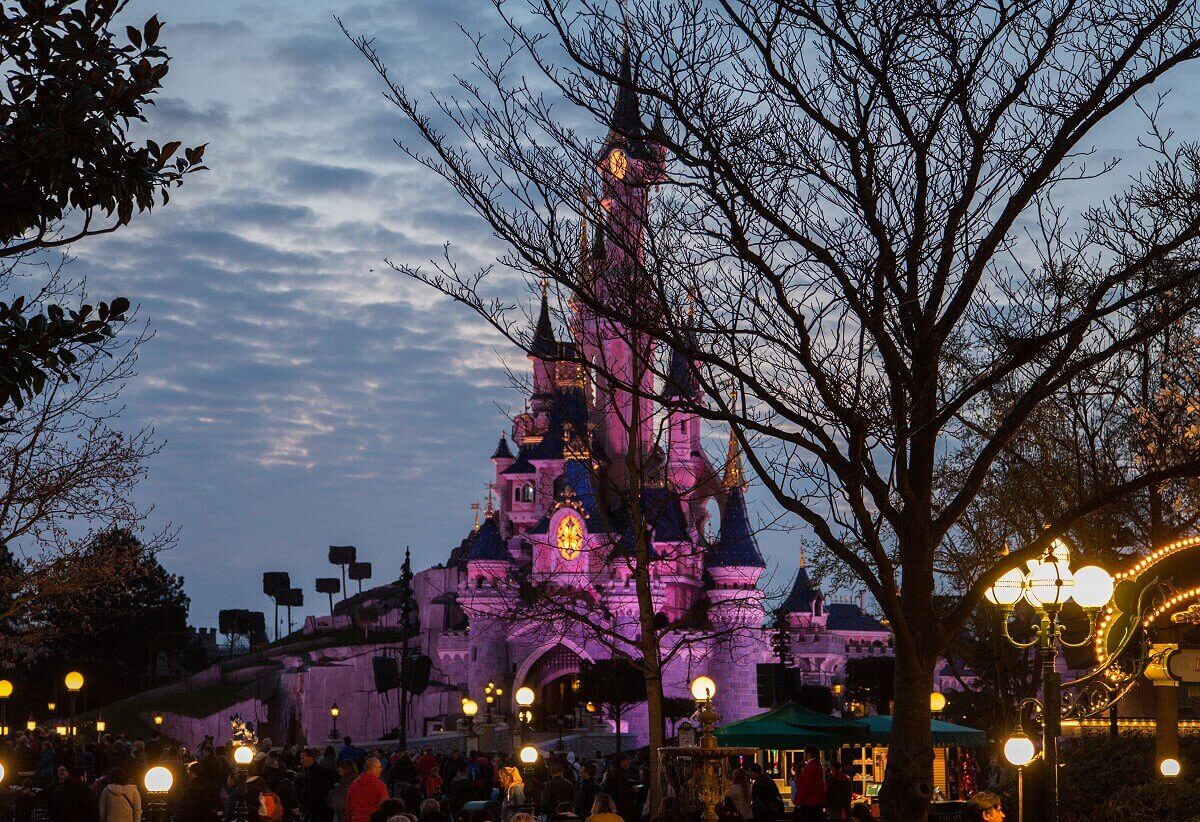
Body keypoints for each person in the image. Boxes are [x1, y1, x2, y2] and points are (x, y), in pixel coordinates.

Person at [299, 747, 338, 822]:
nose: (301, 761)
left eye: (303, 758)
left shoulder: (316, 774)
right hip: (320, 811)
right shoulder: (312, 773)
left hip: (320, 812)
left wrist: (303, 808)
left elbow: (314, 795)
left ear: (311, 758)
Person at [348, 758, 391, 822]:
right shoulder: (379, 785)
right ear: (373, 768)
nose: (381, 769)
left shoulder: (353, 784)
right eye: (379, 767)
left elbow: (348, 807)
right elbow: (385, 807)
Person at [790, 749, 826, 822]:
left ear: (808, 754)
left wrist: (798, 800)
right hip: (816, 803)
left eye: (804, 753)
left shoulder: (810, 767)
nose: (803, 755)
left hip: (809, 803)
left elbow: (805, 786)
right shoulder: (818, 766)